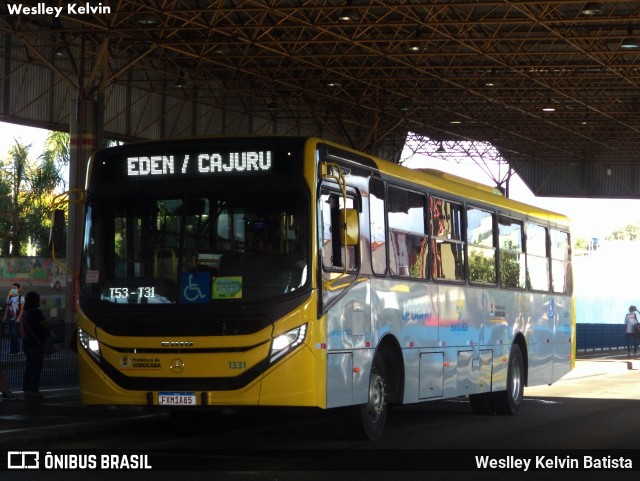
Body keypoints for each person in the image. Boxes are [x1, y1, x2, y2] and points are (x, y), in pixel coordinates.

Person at [21, 291, 49, 399]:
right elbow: (45, 325)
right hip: (36, 343)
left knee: (28, 367)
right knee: (37, 367)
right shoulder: (36, 312)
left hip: (27, 342)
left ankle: (26, 390)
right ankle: (34, 390)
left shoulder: (26, 313)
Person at [3, 283, 24, 354]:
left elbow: (22, 309)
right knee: (11, 334)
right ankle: (13, 350)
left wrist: (18, 318)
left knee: (14, 334)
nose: (13, 289)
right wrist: (5, 317)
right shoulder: (9, 297)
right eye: (12, 288)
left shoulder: (21, 297)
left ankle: (15, 350)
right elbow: (7, 307)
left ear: (18, 289)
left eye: (14, 288)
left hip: (16, 319)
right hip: (10, 318)